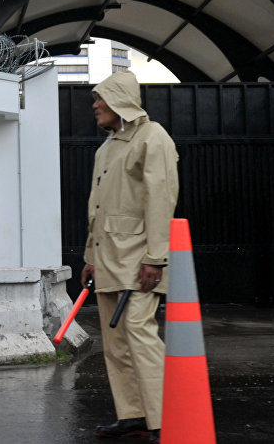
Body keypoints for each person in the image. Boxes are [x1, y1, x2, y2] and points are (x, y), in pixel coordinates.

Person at [81, 71, 178, 443]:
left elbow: (161, 199)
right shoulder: (105, 148)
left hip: (140, 261)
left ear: (119, 99)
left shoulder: (153, 138)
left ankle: (162, 418)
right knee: (116, 342)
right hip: (107, 260)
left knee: (140, 335)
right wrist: (90, 257)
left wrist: (156, 257)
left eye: (100, 99)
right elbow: (97, 209)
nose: (94, 106)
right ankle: (133, 414)